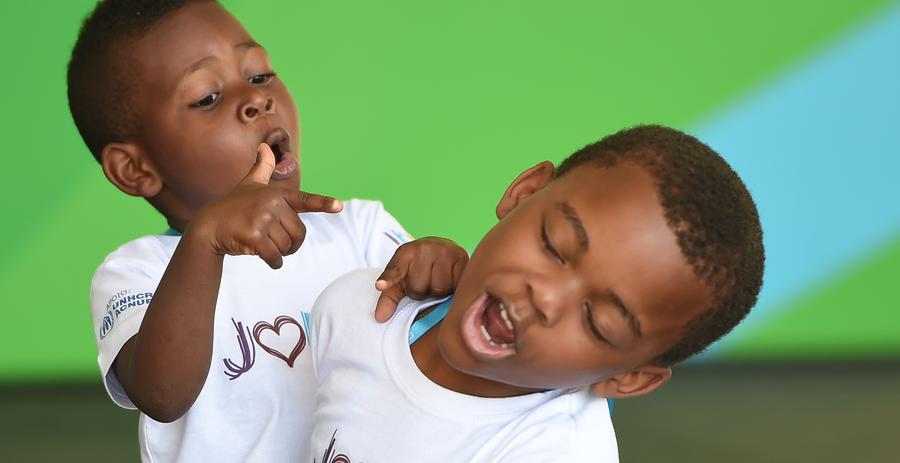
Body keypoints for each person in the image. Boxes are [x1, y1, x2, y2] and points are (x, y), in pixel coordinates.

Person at [67, 1, 467, 461]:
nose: (258, 99)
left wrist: (440, 270)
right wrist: (205, 240)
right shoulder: (138, 270)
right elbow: (162, 394)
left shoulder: (359, 228)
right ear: (135, 168)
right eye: (207, 98)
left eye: (259, 75)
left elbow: (434, 350)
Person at [309, 125, 765, 462]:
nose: (545, 298)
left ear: (629, 378)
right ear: (523, 193)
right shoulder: (358, 306)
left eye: (596, 321)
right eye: (553, 244)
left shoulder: (553, 452)